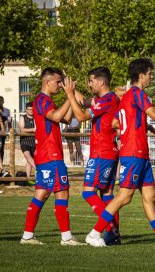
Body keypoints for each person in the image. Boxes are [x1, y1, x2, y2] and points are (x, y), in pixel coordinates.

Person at [85, 58, 155, 247]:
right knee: (125, 196)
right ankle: (94, 233)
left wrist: (139, 123)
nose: (151, 77)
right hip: (134, 152)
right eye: (150, 74)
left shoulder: (127, 97)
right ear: (141, 75)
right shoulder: (138, 93)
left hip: (140, 153)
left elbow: (116, 123)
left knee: (150, 198)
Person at [20, 67, 84, 246]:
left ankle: (27, 236)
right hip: (50, 155)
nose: (59, 85)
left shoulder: (45, 101)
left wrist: (70, 98)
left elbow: (67, 119)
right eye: (57, 82)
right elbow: (56, 117)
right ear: (47, 82)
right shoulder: (42, 100)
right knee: (61, 192)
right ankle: (66, 237)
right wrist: (69, 96)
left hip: (46, 155)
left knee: (42, 193)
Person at [64, 66, 121, 246]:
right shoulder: (105, 99)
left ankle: (106, 230)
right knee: (107, 194)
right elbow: (83, 102)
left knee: (88, 193)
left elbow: (80, 116)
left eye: (91, 81)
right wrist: (70, 89)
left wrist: (70, 96)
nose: (89, 84)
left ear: (101, 82)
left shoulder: (106, 100)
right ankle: (113, 236)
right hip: (108, 152)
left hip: (101, 153)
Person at [19, 102, 36, 178]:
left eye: (32, 109)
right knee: (28, 156)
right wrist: (33, 129)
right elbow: (22, 130)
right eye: (29, 109)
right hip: (24, 141)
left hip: (34, 141)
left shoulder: (36, 117)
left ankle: (28, 178)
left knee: (30, 160)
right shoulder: (22, 117)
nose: (31, 111)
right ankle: (38, 170)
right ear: (26, 110)